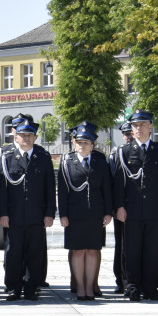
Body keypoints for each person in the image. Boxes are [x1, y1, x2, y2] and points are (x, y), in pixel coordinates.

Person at [112, 109, 158, 301]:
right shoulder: (124, 152)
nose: (138, 129)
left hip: (154, 209)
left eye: (142, 125)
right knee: (131, 250)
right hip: (131, 210)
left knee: (152, 250)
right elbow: (118, 183)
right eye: (135, 126)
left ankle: (151, 287)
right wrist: (119, 206)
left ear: (151, 126)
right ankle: (132, 287)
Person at [0, 117, 55, 301]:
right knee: (13, 253)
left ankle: (31, 288)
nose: (26, 138)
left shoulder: (43, 157)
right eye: (23, 135)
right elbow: (0, 188)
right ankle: (13, 287)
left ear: (35, 137)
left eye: (30, 135)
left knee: (35, 253)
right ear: (16, 136)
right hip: (13, 216)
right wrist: (2, 214)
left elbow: (50, 188)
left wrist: (49, 214)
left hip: (36, 216)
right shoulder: (6, 157)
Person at [57, 123, 113, 301]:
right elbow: (63, 191)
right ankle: (80, 287)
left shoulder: (100, 161)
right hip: (75, 215)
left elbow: (107, 189)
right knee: (78, 251)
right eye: (79, 142)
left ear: (92, 144)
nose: (82, 145)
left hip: (95, 214)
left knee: (92, 250)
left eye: (86, 142)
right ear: (74, 143)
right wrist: (63, 214)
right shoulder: (67, 162)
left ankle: (90, 286)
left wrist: (107, 212)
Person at [108, 121, 134, 292]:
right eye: (126, 134)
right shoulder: (115, 154)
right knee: (121, 245)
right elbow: (111, 182)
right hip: (120, 207)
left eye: (130, 133)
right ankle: (121, 279)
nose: (129, 136)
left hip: (138, 206)